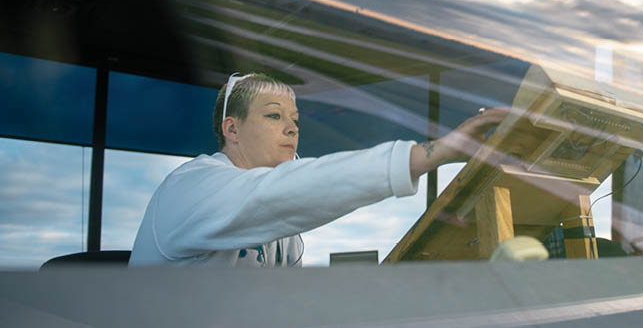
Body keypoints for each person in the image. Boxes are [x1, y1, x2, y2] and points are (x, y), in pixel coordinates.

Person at [129, 73, 507, 267]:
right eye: (274, 116)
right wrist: (428, 155)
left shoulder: (281, 218)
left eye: (294, 118)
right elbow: (285, 191)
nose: (292, 128)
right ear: (232, 129)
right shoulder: (191, 187)